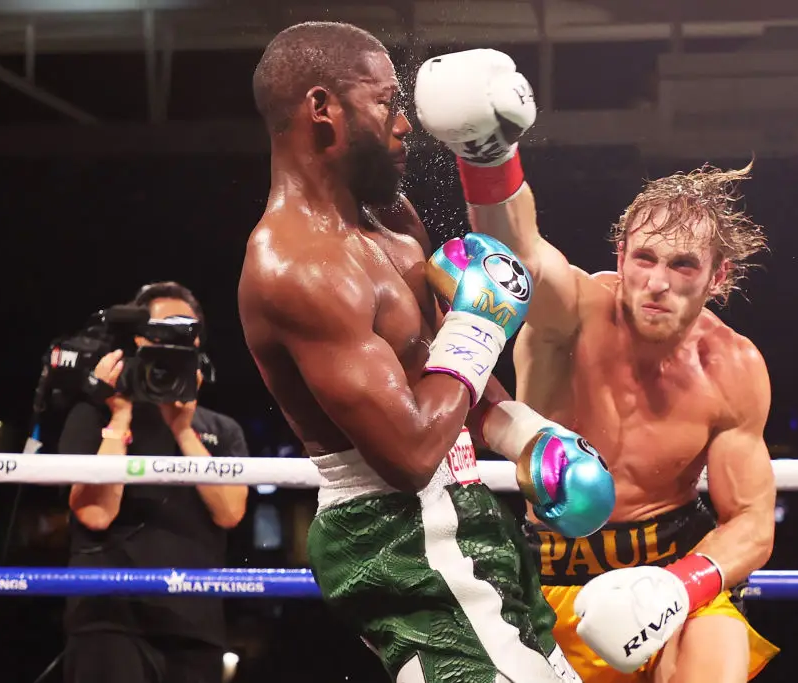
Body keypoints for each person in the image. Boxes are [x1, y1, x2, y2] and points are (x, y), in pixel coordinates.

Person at [238, 21, 615, 683]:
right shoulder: (294, 265)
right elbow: (409, 452)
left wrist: (526, 432)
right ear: (322, 108)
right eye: (384, 101)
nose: (406, 123)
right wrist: (480, 323)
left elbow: (444, 370)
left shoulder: (394, 220)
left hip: (463, 509)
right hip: (396, 530)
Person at [414, 50, 780, 682]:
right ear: (621, 254)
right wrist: (487, 155)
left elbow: (750, 519)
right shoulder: (577, 314)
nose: (657, 282)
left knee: (715, 658)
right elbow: (519, 253)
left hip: (666, 573)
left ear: (718, 277)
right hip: (550, 577)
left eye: (683, 265)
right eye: (644, 258)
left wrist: (679, 588)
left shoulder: (734, 366)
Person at [61, 281, 249, 683]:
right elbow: (95, 513)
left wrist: (183, 431)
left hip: (194, 623)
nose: (171, 339)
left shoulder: (221, 429)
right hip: (108, 618)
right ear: (140, 336)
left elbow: (231, 512)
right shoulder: (93, 414)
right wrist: (120, 416)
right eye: (160, 328)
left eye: (184, 329)